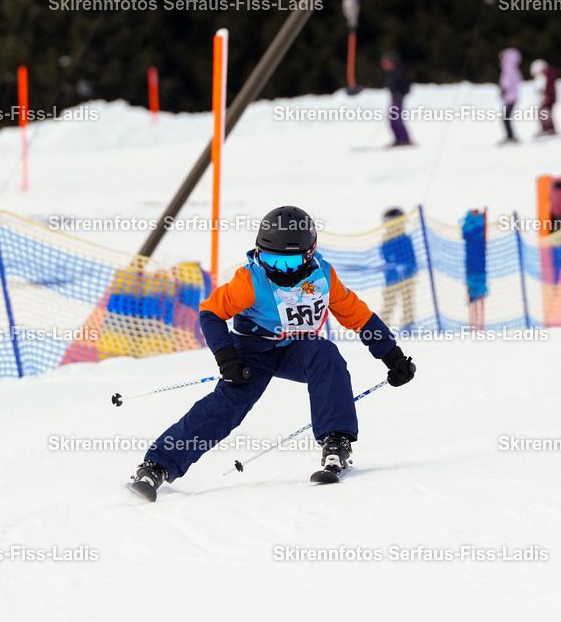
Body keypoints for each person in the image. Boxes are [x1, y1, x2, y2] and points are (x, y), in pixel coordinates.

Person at [130, 206, 417, 501]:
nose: (280, 269)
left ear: (309, 254)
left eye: (289, 262)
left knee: (326, 355)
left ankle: (336, 443)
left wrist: (392, 356)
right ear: (259, 252)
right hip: (253, 350)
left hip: (297, 348)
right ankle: (158, 464)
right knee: (229, 404)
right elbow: (211, 313)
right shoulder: (251, 280)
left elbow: (359, 316)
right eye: (271, 259)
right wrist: (227, 358)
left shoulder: (323, 277)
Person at [379, 208, 417, 330]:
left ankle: (408, 324)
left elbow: (411, 257)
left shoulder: (405, 239)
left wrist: (408, 267)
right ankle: (382, 325)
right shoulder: (387, 239)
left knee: (407, 300)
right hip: (392, 277)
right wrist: (393, 264)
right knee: (389, 301)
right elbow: (385, 254)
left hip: (407, 276)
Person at [381, 52, 412, 146]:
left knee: (396, 119)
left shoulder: (399, 72)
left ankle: (404, 139)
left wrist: (400, 94)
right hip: (394, 97)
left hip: (398, 98)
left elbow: (406, 86)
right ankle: (398, 139)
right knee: (393, 119)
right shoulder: (392, 73)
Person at [498, 48, 522, 144]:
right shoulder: (515, 69)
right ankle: (510, 135)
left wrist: (503, 89)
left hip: (509, 98)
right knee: (506, 118)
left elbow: (506, 82)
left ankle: (510, 136)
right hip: (513, 97)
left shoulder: (508, 69)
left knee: (505, 117)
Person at [530, 58, 558, 137]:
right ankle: (549, 128)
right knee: (546, 113)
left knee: (543, 113)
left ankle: (547, 129)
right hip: (550, 98)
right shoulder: (548, 75)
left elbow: (542, 89)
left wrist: (544, 99)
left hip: (547, 99)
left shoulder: (542, 76)